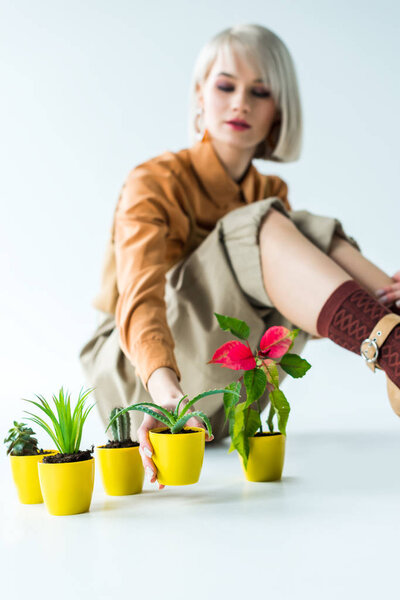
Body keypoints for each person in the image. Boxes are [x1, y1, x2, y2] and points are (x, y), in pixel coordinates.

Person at [79, 24, 400, 489]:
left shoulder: (270, 193)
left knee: (299, 226)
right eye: (226, 85)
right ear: (199, 94)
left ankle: (392, 315)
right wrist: (165, 393)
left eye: (260, 91)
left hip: (223, 400)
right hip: (141, 387)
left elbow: (309, 305)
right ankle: (392, 344)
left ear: (278, 111)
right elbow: (139, 294)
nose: (240, 103)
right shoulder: (154, 181)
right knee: (265, 222)